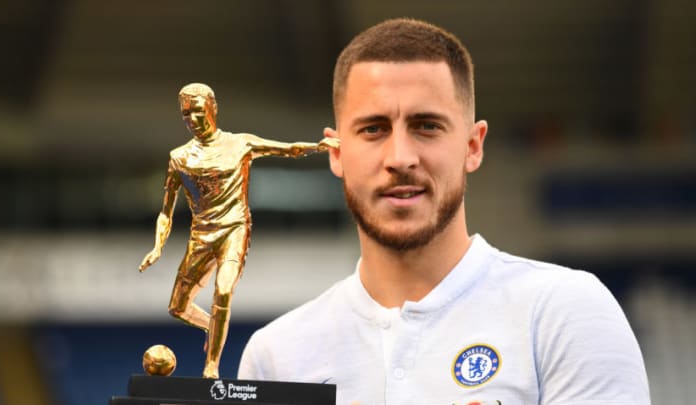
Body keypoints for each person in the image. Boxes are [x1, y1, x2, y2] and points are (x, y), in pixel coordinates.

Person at [237, 18, 650, 405]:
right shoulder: (276, 355)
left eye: (427, 126)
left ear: (473, 146)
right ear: (337, 151)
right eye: (374, 129)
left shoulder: (563, 311)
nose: (400, 158)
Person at [139, 83, 338, 378]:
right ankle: (217, 326)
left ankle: (212, 366)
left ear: (212, 108)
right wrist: (157, 247)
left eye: (197, 112)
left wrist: (316, 147)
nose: (193, 121)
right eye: (186, 116)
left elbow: (286, 149)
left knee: (223, 290)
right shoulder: (179, 158)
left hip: (234, 227)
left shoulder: (240, 144)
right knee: (178, 308)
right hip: (202, 235)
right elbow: (165, 212)